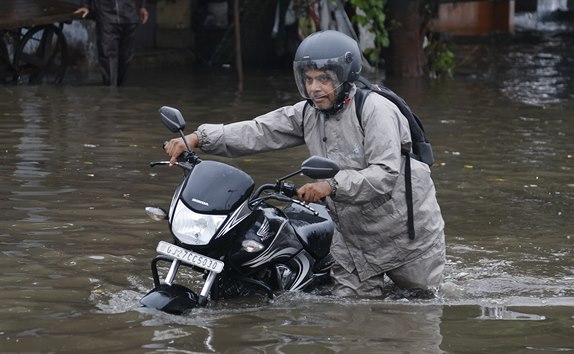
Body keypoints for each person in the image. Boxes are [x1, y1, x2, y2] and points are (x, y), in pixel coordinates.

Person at [164, 30, 446, 298]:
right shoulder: (308, 113)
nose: (314, 88)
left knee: (420, 310)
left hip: (405, 234)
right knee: (351, 317)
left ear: (345, 76)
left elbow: (384, 173)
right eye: (308, 79)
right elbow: (259, 130)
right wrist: (199, 137)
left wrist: (330, 186)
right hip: (351, 236)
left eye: (323, 79)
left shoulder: (375, 110)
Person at [74, 1, 149, 86]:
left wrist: (142, 6)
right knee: (108, 57)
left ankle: (119, 89)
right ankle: (111, 90)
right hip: (107, 16)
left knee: (126, 56)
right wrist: (86, 6)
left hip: (130, 16)